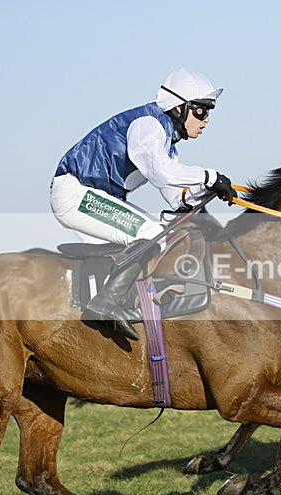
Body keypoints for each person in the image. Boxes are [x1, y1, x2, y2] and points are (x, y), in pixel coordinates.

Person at [50, 68, 238, 340]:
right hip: (75, 193)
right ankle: (106, 304)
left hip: (94, 196)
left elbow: (175, 196)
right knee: (150, 233)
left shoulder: (167, 142)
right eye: (201, 111)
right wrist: (209, 176)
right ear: (179, 108)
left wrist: (205, 193)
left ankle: (124, 300)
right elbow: (162, 173)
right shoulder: (147, 125)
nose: (206, 120)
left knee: (161, 233)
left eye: (208, 112)